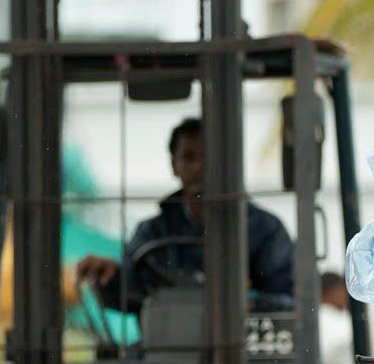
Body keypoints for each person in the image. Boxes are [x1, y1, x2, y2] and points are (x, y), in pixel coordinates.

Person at [74, 118, 296, 312]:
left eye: (208, 156)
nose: (198, 165)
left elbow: (291, 301)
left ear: (225, 162)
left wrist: (249, 302)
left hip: (245, 356)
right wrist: (112, 277)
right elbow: (132, 295)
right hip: (167, 352)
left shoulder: (266, 230)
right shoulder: (152, 232)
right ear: (174, 165)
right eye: (188, 157)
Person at [318, 272, 354, 364]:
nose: (346, 294)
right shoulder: (327, 316)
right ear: (330, 292)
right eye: (342, 289)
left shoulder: (341, 314)